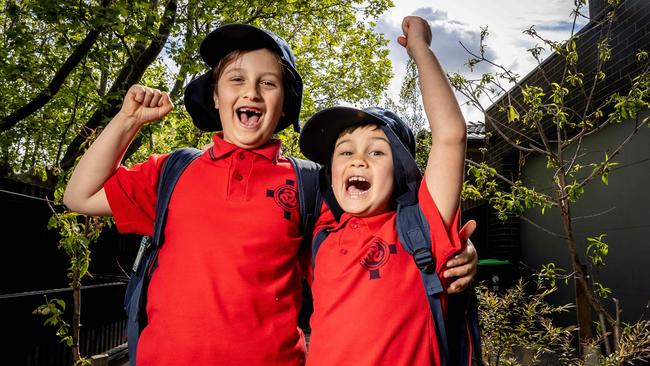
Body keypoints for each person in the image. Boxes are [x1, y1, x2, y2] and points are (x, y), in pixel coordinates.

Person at [63, 23, 477, 365]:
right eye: (236, 80)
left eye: (268, 83)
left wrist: (451, 253)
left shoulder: (310, 183)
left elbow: (384, 221)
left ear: (284, 105)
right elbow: (79, 197)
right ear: (215, 95)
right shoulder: (173, 171)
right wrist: (126, 121)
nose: (251, 92)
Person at [298, 15, 470, 365]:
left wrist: (420, 48)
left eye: (377, 150)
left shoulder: (421, 226)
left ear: (402, 170)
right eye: (345, 151)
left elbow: (451, 135)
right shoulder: (319, 234)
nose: (358, 159)